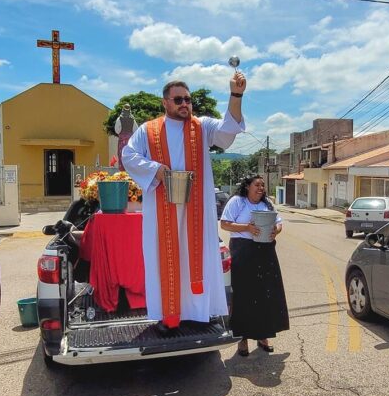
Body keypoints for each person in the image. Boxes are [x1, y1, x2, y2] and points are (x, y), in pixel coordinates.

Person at [122, 73, 246, 331]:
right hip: (161, 209)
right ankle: (169, 316)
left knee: (198, 257)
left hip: (197, 211)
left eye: (187, 99)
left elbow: (227, 131)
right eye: (178, 99)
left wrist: (236, 95)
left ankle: (199, 314)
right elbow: (129, 155)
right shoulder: (149, 130)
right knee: (164, 259)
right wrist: (155, 169)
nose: (184, 104)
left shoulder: (202, 127)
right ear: (165, 102)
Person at [220, 175, 289, 356]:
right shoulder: (237, 202)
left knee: (265, 294)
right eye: (256, 185)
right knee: (243, 294)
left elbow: (279, 223)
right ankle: (242, 340)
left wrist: (276, 230)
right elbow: (225, 224)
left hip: (265, 252)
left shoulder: (266, 204)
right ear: (248, 186)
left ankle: (263, 336)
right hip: (243, 251)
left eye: (262, 185)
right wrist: (247, 228)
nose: (260, 188)